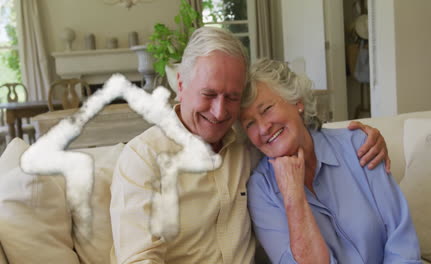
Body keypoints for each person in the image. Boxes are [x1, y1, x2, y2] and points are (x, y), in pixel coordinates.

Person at [110, 27, 390, 264]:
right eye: (209, 94)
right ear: (181, 84)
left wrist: (363, 138)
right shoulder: (142, 159)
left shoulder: (249, 145)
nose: (220, 112)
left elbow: (298, 132)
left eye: (232, 97)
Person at [241, 58, 421, 264]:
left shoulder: (359, 145)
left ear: (297, 101)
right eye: (250, 124)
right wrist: (293, 197)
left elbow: (401, 242)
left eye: (267, 109)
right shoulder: (261, 190)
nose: (263, 128)